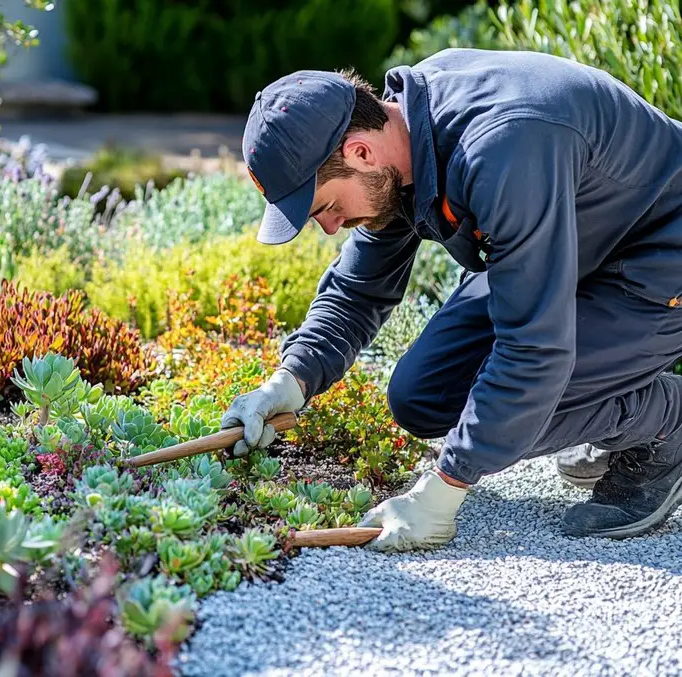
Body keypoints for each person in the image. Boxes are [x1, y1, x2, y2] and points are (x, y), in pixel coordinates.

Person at [220, 48, 682, 552]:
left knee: (531, 395)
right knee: (424, 397)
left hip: (659, 255)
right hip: (571, 247)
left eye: (326, 207)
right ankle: (615, 394)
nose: (330, 227)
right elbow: (358, 289)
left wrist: (442, 491)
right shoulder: (403, 138)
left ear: (359, 152)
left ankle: (665, 426)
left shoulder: (501, 148)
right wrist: (290, 381)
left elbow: (534, 351)